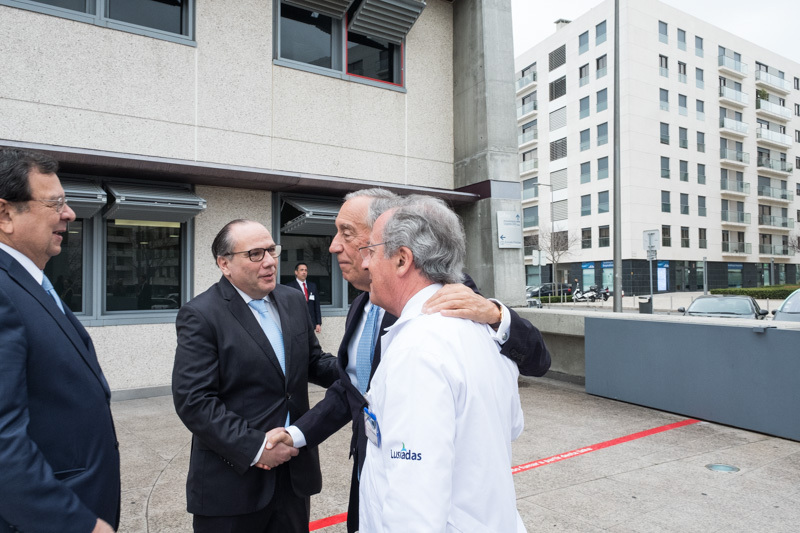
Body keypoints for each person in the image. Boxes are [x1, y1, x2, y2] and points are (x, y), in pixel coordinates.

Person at [267, 188, 550, 532]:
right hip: (390, 480)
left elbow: (416, 500)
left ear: (401, 257)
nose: (335, 246)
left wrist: (495, 314)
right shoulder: (365, 306)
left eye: (353, 237)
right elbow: (354, 388)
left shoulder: (448, 314)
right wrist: (298, 434)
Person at [358, 196, 525, 531]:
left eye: (372, 251)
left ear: (402, 259)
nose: (364, 264)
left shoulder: (418, 352)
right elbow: (513, 426)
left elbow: (414, 508)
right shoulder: (483, 334)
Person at [171, 219, 339, 533]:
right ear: (225, 264)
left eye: (272, 251)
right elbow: (194, 401)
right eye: (255, 254)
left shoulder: (291, 300)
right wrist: (257, 447)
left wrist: (364, 364)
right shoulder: (201, 314)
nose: (270, 262)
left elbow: (313, 362)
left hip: (293, 478)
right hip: (232, 486)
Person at [0, 148, 120, 533]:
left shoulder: (29, 282)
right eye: (55, 204)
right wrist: (76, 524)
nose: (68, 214)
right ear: (5, 215)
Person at [283, 262, 322, 333]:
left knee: (310, 343)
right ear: (296, 272)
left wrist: (318, 323)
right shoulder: (289, 287)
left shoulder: (312, 286)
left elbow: (316, 305)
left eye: (305, 270)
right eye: (301, 270)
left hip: (311, 323)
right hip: (296, 323)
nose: (304, 272)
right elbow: (287, 307)